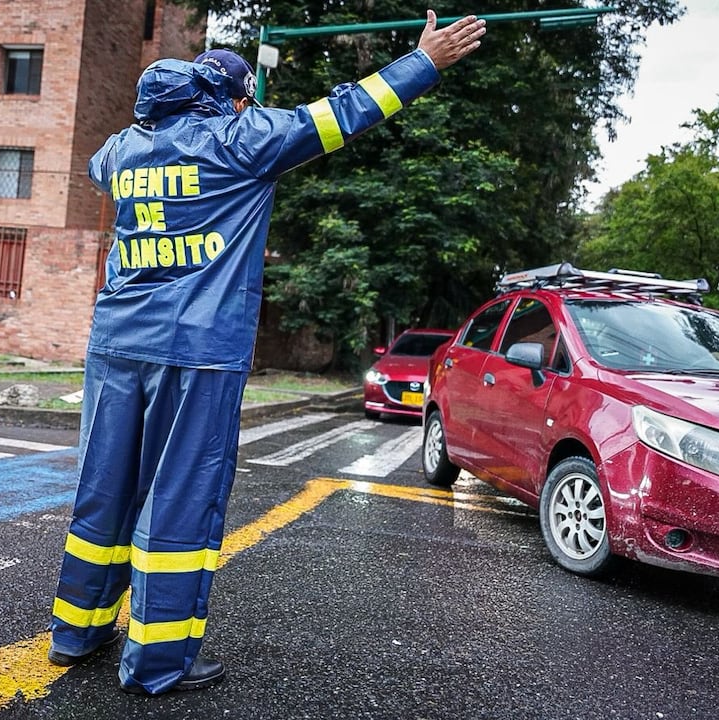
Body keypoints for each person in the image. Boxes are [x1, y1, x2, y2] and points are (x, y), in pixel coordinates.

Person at [47, 9, 487, 696]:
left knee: (103, 488)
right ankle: (158, 662)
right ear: (235, 97)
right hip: (197, 350)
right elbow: (341, 114)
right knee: (180, 499)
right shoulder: (241, 139)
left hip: (116, 346)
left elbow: (101, 165)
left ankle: (76, 633)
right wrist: (423, 62)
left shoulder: (123, 149)